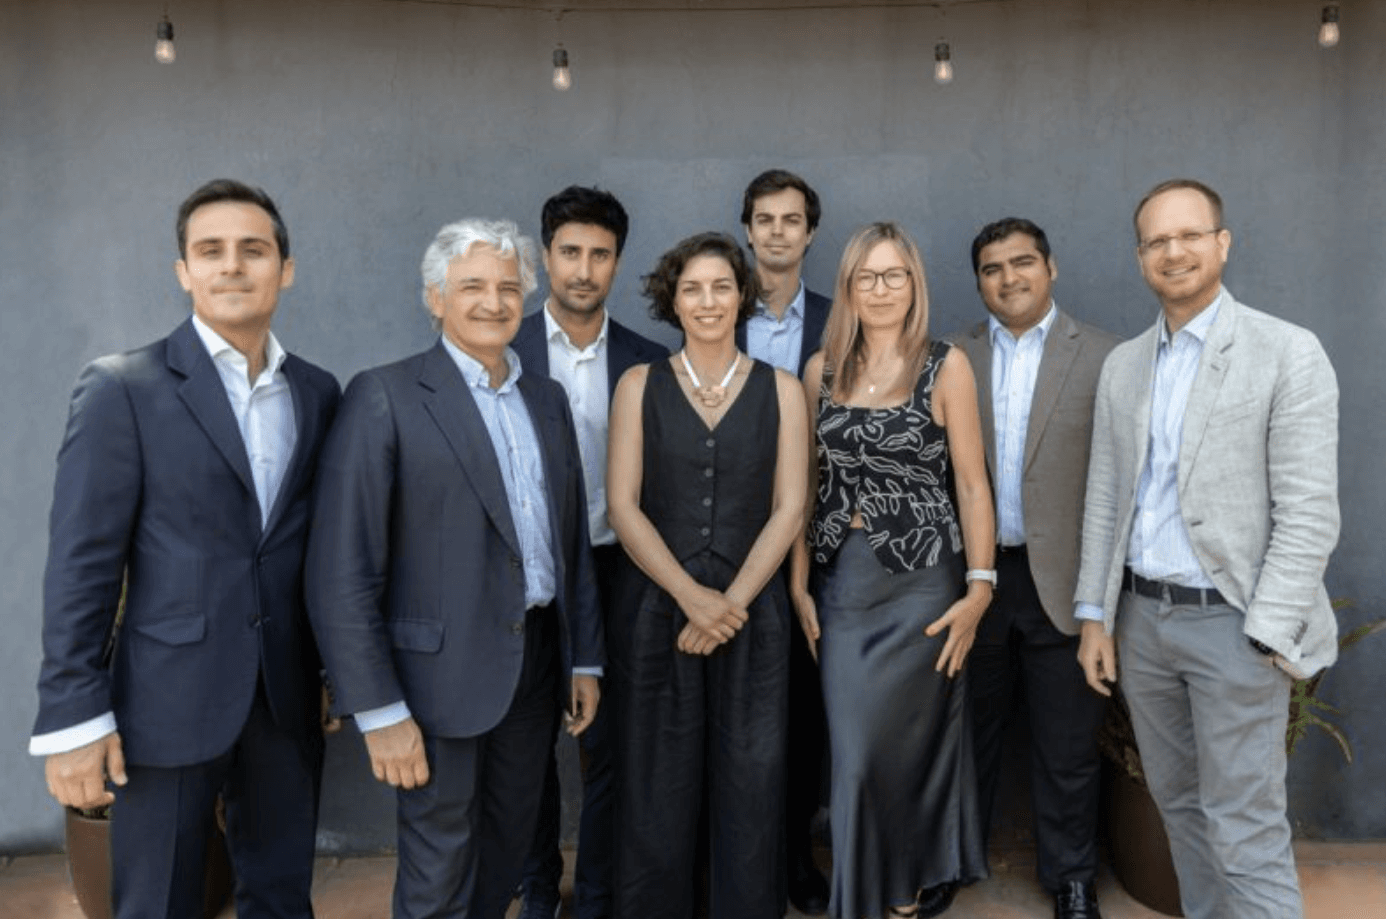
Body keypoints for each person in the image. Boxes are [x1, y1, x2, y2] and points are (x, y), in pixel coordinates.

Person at [31, 178, 341, 919]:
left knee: (280, 895)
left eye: (253, 250)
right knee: (159, 902)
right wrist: (74, 713)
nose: (232, 266)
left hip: (285, 697)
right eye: (211, 251)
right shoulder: (123, 388)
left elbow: (318, 551)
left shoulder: (318, 391)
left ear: (285, 268)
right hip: (164, 700)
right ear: (184, 272)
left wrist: (331, 669)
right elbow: (82, 562)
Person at [305, 218, 603, 919]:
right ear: (435, 298)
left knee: (501, 859)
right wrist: (377, 708)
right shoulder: (384, 395)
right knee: (438, 868)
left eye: (507, 288)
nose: (493, 302)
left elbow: (570, 543)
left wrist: (583, 659)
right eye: (471, 286)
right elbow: (339, 567)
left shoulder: (546, 400)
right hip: (432, 683)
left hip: (531, 671)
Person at [1075, 179, 1340, 919]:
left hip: (1235, 627)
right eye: (1157, 240)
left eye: (1190, 234)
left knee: (1246, 827)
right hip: (1144, 624)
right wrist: (1096, 616)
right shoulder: (1126, 365)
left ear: (1222, 243)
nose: (1174, 250)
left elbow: (1310, 510)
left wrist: (1267, 631)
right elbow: (1106, 496)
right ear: (1140, 258)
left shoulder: (1286, 352)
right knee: (1181, 812)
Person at [792, 222, 993, 919]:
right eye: (867, 276)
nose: (881, 289)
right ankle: (865, 888)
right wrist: (796, 583)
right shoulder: (821, 371)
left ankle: (900, 883)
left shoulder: (947, 366)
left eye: (894, 275)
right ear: (848, 286)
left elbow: (971, 485)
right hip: (843, 586)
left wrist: (980, 588)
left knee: (903, 750)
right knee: (855, 754)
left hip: (924, 588)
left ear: (914, 284)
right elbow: (804, 487)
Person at [606, 232, 808, 919]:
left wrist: (731, 604)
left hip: (754, 619)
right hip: (659, 616)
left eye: (722, 286)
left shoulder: (783, 389)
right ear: (672, 299)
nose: (708, 300)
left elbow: (790, 509)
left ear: (742, 295)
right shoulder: (639, 385)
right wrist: (692, 598)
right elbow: (623, 507)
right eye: (692, 288)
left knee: (751, 781)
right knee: (658, 784)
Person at [954, 218, 1117, 919]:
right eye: (992, 267)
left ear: (1050, 267)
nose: (1008, 277)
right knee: (964, 733)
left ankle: (1071, 878)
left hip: (1067, 581)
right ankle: (953, 861)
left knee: (1067, 743)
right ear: (979, 280)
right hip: (977, 579)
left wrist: (1100, 601)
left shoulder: (1107, 356)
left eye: (1022, 262)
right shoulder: (953, 357)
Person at [512, 186, 666, 919]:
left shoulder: (647, 359)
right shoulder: (501, 350)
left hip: (616, 571)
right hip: (525, 578)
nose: (583, 268)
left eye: (599, 254)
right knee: (525, 749)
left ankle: (598, 895)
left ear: (617, 262)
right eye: (569, 252)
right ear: (545, 258)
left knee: (608, 749)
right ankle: (539, 886)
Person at [735, 167, 834, 915]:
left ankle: (797, 852)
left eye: (790, 219)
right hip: (726, 535)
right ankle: (743, 856)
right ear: (747, 230)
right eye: (764, 219)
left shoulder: (841, 321)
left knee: (802, 715)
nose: (776, 231)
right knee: (737, 709)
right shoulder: (713, 307)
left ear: (809, 232)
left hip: (814, 539)